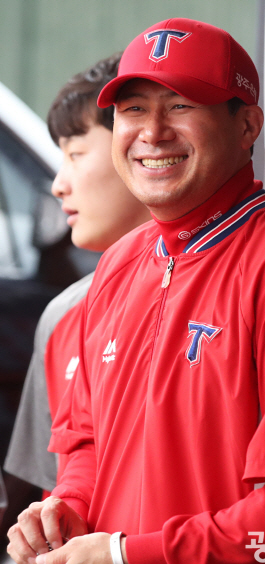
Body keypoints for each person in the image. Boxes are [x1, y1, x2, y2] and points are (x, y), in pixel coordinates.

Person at [7, 18, 265, 564]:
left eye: (181, 105)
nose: (153, 132)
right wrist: (67, 508)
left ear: (247, 125)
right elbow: (87, 446)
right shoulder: (118, 264)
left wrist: (127, 559)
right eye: (134, 110)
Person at [3, 53, 151, 497]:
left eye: (76, 154)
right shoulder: (64, 316)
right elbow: (40, 494)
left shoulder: (234, 291)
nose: (58, 184)